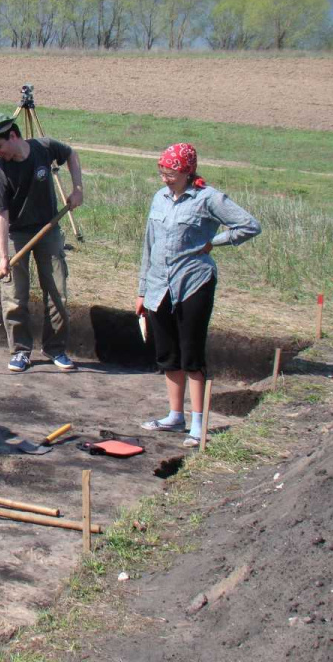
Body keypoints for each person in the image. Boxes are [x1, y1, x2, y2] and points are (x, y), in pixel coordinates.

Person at [136, 143, 261, 447]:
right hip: (158, 286)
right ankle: (174, 415)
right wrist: (141, 290)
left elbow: (249, 226)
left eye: (172, 171)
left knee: (192, 356)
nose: (166, 177)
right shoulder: (159, 198)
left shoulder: (208, 198)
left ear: (187, 171)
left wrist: (215, 241)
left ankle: (198, 423)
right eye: (162, 170)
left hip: (193, 283)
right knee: (168, 355)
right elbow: (149, 245)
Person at [0, 112, 84, 373]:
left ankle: (55, 348)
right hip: (16, 234)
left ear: (13, 136)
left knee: (57, 290)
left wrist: (78, 189)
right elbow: (0, 216)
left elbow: (71, 153)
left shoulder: (44, 148)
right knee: (15, 294)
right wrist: (3, 257)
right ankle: (20, 351)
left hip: (48, 228)